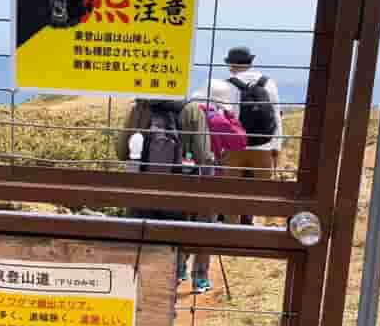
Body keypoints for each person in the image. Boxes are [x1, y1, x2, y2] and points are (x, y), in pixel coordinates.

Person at [117, 98, 214, 293]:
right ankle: (174, 279)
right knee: (174, 239)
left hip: (141, 190)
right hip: (178, 192)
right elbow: (203, 156)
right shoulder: (191, 110)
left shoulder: (140, 108)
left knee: (141, 247)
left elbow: (121, 152)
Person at [221, 46, 285, 225]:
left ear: (232, 65)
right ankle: (263, 231)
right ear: (251, 61)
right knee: (263, 193)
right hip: (263, 147)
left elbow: (224, 118)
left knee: (230, 194)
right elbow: (276, 115)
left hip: (235, 148)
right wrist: (276, 147)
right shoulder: (268, 82)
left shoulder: (227, 84)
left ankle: (230, 231)